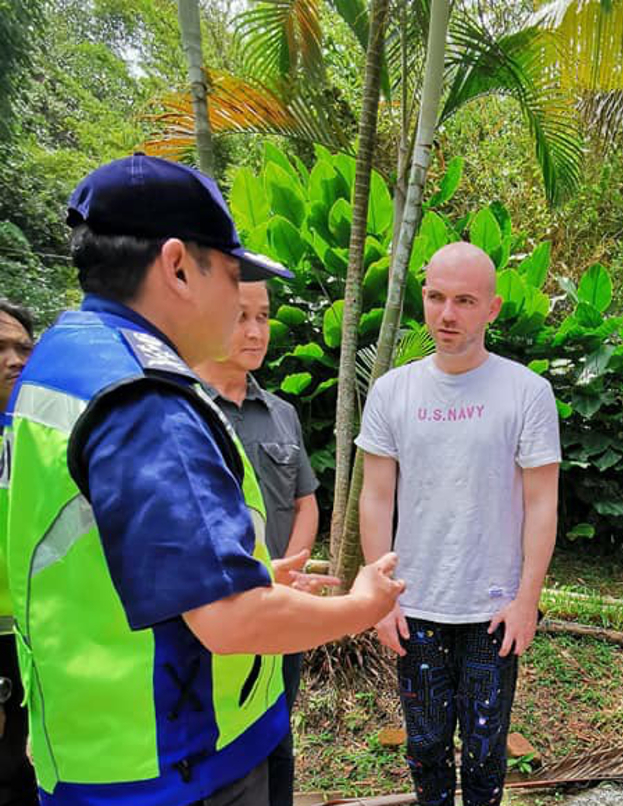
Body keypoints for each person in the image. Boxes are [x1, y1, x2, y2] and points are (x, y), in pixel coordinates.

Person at [0, 154, 404, 806]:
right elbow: (229, 621)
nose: (241, 303)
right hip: (183, 764)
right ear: (179, 267)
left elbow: (95, 553)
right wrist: (359, 608)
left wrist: (245, 577)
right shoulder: (149, 402)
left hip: (88, 745)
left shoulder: (63, 356)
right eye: (233, 273)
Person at [356, 242, 561, 806]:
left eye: (465, 301)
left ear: (492, 309)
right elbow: (376, 498)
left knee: (485, 749)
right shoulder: (393, 390)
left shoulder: (527, 392)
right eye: (436, 297)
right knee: (423, 747)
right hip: (415, 601)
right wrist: (381, 596)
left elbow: (543, 503)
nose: (447, 315)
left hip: (494, 609)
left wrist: (527, 598)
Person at [194, 280, 320, 806]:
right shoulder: (181, 409)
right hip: (212, 612)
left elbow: (306, 501)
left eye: (264, 317)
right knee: (217, 744)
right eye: (241, 315)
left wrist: (288, 567)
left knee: (277, 731)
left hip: (278, 604)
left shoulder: (282, 413)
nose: (254, 331)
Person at [0, 299, 37, 806]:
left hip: (36, 644)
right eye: (0, 349)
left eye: (23, 347)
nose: (15, 359)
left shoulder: (36, 436)